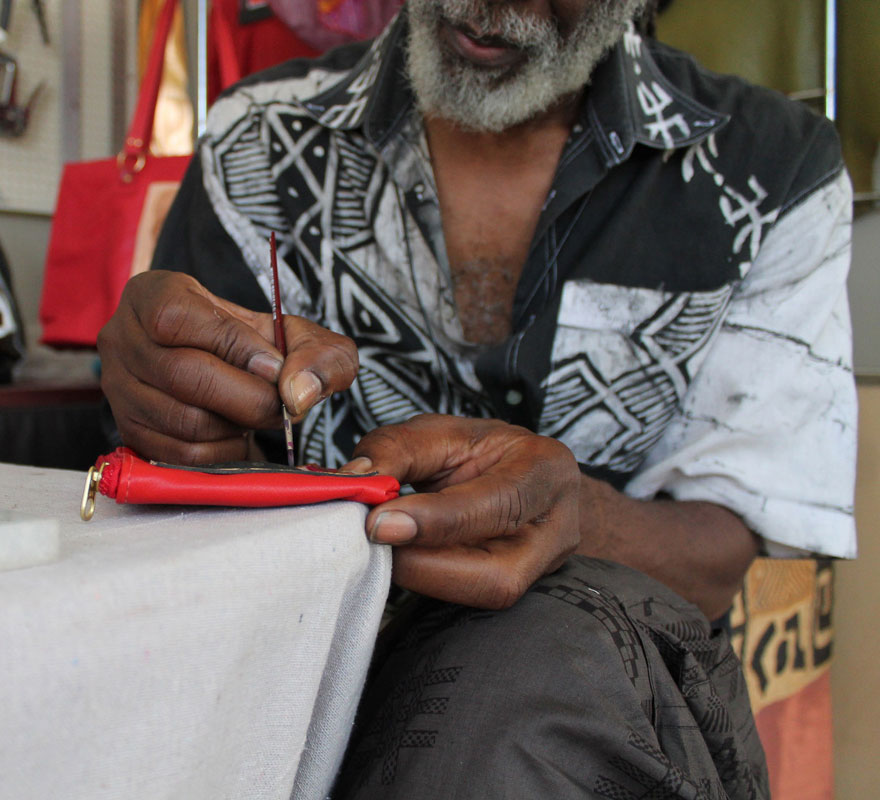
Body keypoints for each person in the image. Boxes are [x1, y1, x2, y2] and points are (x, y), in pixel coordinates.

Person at [97, 0, 857, 796]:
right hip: (281, 687)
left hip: (599, 722)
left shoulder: (769, 169)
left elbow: (722, 555)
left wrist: (580, 521)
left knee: (517, 688)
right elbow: (195, 470)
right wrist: (177, 410)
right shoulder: (257, 140)